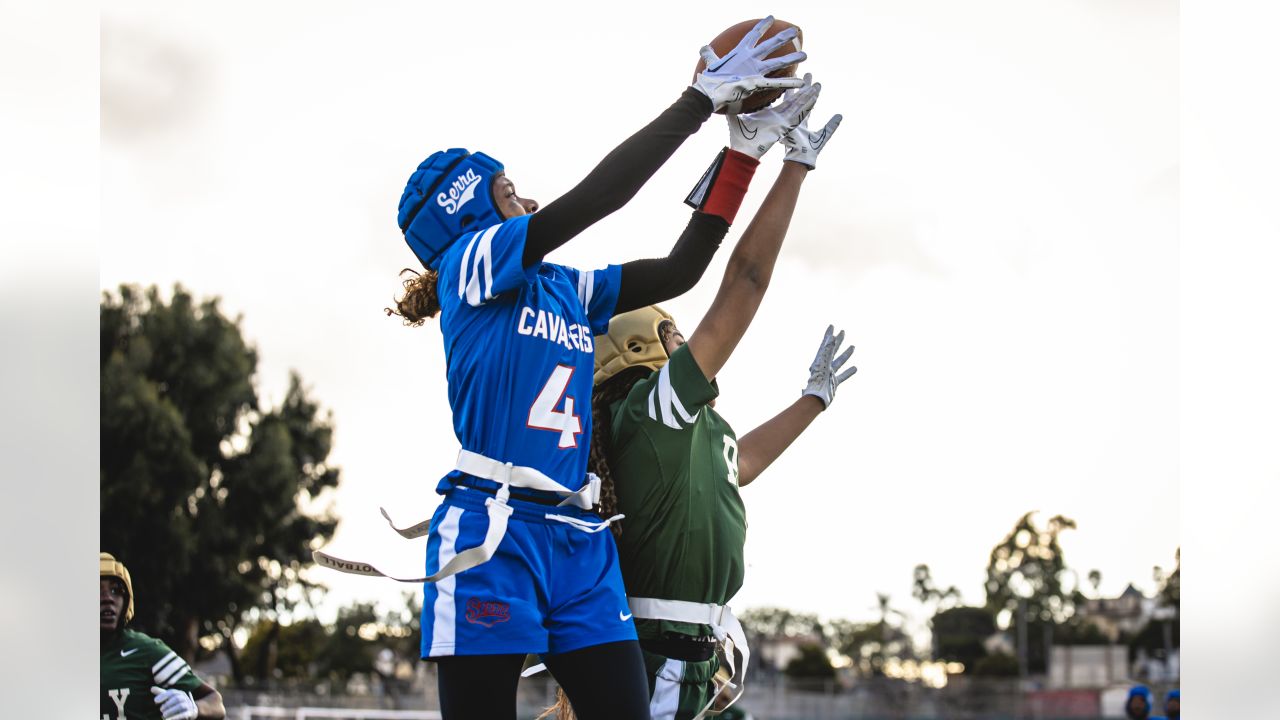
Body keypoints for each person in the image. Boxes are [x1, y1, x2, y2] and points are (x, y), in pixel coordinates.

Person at [312, 17, 807, 720]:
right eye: (510, 192)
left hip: (577, 536)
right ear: (469, 211)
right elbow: (600, 198)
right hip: (492, 532)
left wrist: (743, 157)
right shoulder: (469, 267)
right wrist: (698, 99)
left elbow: (682, 270)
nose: (530, 201)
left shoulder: (561, 288)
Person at [583, 77, 849, 720]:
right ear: (642, 353)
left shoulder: (688, 423)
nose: (687, 337)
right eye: (672, 330)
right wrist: (795, 168)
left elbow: (741, 462)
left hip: (699, 657)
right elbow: (747, 281)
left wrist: (811, 401)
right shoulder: (652, 409)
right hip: (660, 662)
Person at [100, 553, 226, 720]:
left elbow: (215, 702)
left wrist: (194, 707)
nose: (108, 598)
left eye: (116, 591)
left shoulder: (146, 651)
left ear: (126, 601)